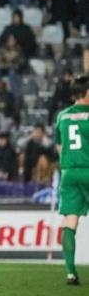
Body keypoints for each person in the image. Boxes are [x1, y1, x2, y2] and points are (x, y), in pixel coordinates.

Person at [55, 75, 89, 285]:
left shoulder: (62, 116)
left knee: (70, 221)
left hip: (68, 173)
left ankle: (70, 272)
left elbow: (59, 146)